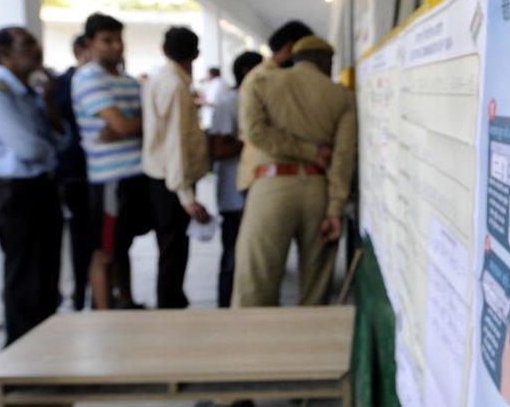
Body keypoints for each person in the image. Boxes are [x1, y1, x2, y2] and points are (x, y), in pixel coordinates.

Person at [232, 35, 356, 307]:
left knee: (255, 283)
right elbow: (343, 159)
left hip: (270, 187)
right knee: (316, 290)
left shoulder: (261, 82)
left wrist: (303, 149)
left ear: (294, 59)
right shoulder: (343, 98)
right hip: (317, 191)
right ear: (325, 61)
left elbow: (255, 133)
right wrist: (335, 210)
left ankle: (252, 346)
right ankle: (310, 345)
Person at [0, 27, 68, 345]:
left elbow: (61, 137)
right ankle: (22, 361)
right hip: (16, 194)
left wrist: (50, 105)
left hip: (40, 189)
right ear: (4, 54)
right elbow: (29, 148)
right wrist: (48, 146)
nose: (35, 51)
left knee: (46, 280)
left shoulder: (30, 93)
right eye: (26, 45)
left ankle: (43, 354)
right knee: (26, 283)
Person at [72, 13, 152, 310]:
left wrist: (127, 127)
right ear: (90, 44)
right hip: (110, 178)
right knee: (104, 251)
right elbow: (122, 126)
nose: (116, 46)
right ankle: (104, 314)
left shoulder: (128, 81)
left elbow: (127, 127)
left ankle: (127, 302)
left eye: (119, 39)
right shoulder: (88, 78)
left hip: (135, 174)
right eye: (107, 40)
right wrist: (132, 126)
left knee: (123, 245)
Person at [142, 26, 211, 308]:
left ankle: (172, 300)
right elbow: (176, 144)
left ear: (164, 50)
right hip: (172, 182)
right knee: (173, 251)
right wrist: (186, 197)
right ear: (196, 54)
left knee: (170, 249)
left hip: (164, 178)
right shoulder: (174, 86)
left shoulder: (160, 80)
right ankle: (170, 306)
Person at [207, 51, 262, 308]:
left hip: (257, 191)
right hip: (233, 195)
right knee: (232, 257)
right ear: (246, 73)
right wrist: (255, 142)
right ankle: (225, 307)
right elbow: (217, 150)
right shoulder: (228, 103)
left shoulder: (261, 100)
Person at [236, 20, 313, 192]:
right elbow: (257, 132)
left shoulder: (275, 76)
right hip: (262, 177)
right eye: (307, 54)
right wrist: (312, 152)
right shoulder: (262, 79)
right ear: (290, 47)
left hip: (274, 175)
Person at [54, 34, 92, 310]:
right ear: (80, 50)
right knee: (78, 240)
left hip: (99, 171)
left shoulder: (105, 79)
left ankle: (105, 293)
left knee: (103, 241)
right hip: (75, 172)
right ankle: (77, 295)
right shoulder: (62, 85)